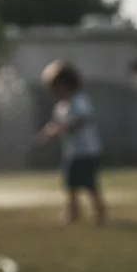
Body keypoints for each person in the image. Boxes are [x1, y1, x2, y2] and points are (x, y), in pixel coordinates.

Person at [36, 60, 106, 225]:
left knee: (89, 183)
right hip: (72, 152)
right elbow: (56, 124)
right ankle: (73, 211)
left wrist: (66, 128)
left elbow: (83, 119)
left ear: (64, 85)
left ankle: (100, 210)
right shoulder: (61, 107)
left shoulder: (79, 100)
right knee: (70, 182)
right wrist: (46, 134)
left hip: (87, 151)